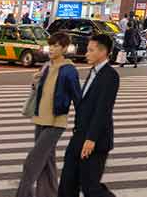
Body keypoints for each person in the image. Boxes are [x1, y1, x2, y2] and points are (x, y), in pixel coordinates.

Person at [17, 31, 82, 197]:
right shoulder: (46, 66)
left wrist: (82, 125)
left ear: (64, 48)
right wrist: (35, 82)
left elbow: (78, 98)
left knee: (32, 163)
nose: (51, 49)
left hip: (56, 122)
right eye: (50, 45)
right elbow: (39, 92)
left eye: (56, 46)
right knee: (47, 163)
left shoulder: (69, 70)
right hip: (40, 119)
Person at [59, 33, 119, 197]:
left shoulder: (110, 76)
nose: (86, 53)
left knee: (91, 188)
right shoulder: (93, 72)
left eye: (90, 50)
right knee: (67, 183)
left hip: (95, 141)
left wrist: (91, 139)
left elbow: (103, 110)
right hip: (79, 136)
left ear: (103, 52)